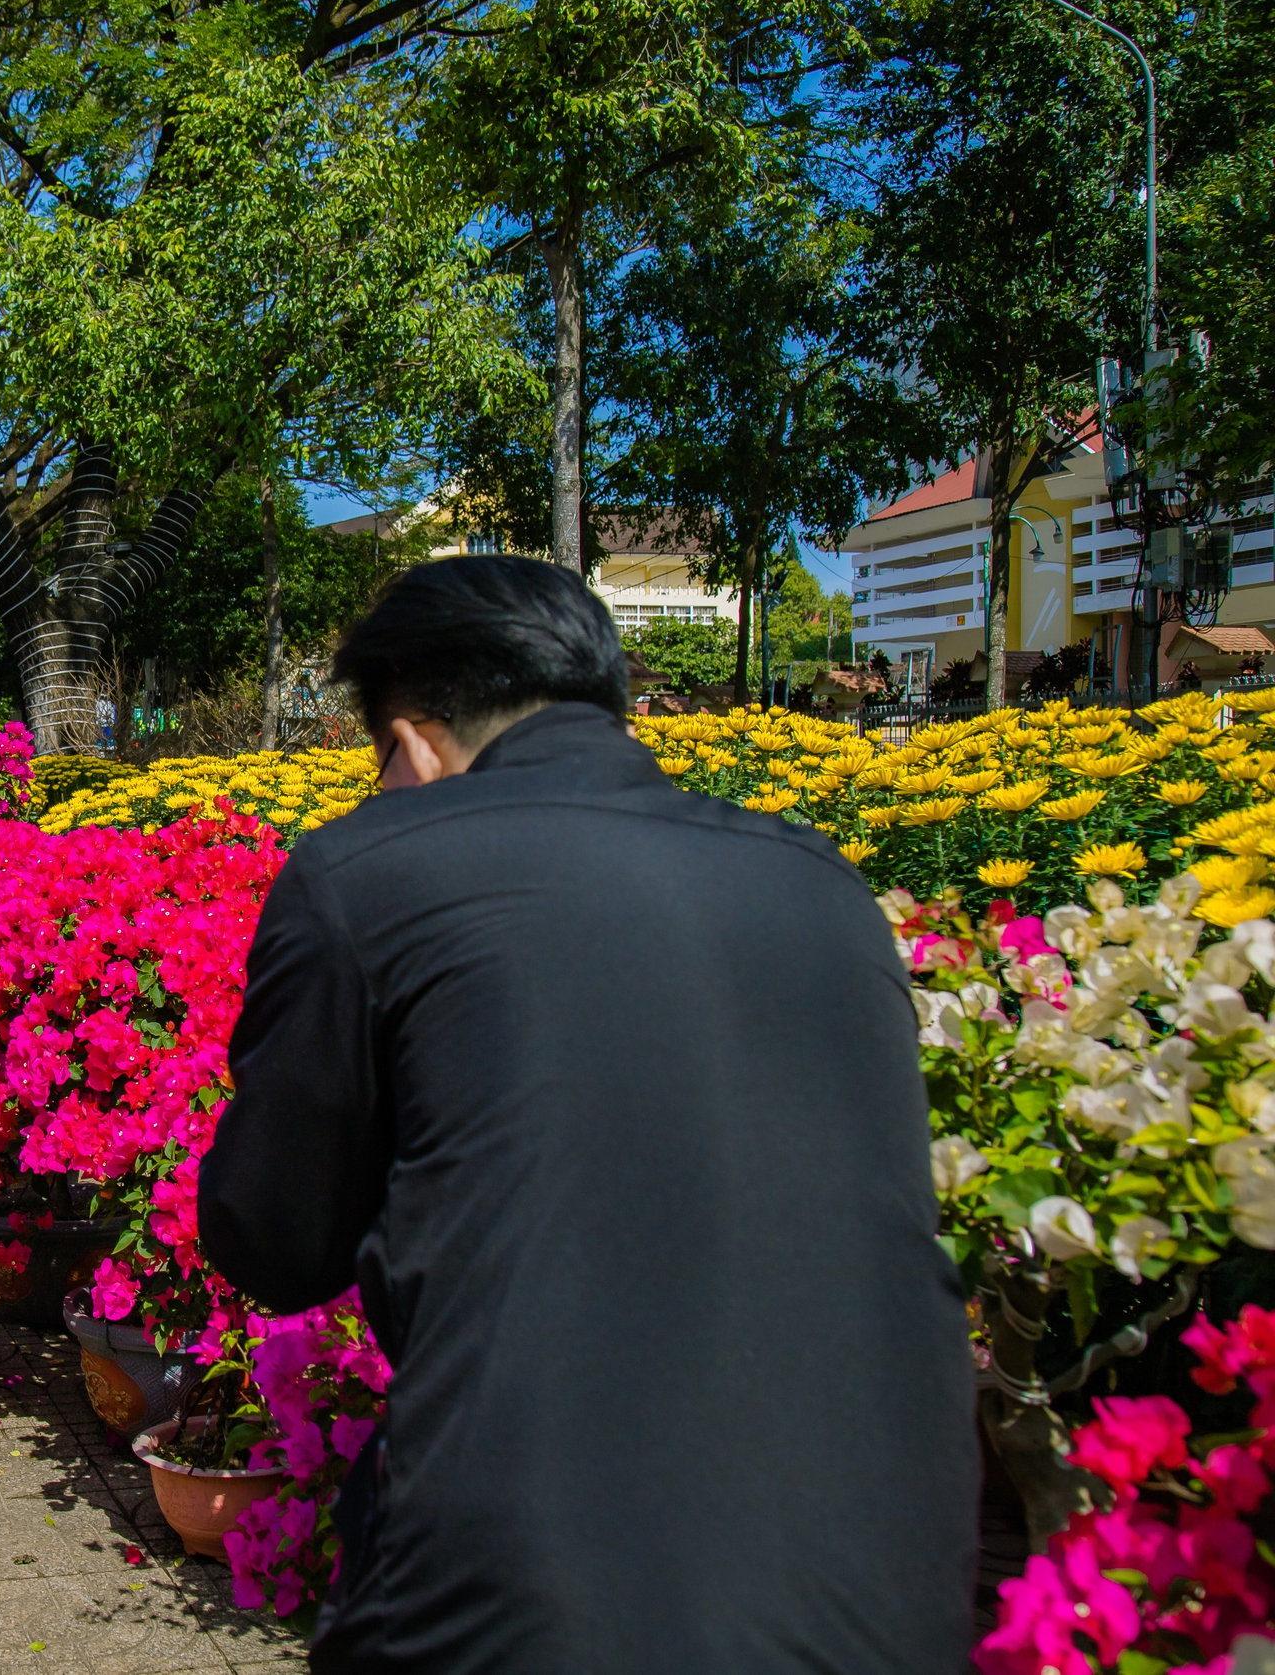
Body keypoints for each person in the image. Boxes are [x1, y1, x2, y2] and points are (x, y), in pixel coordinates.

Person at [195, 556, 975, 1674]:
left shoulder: (370, 870)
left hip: (528, 1605)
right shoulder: (824, 885)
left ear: (411, 740)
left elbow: (270, 1242)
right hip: (889, 1599)